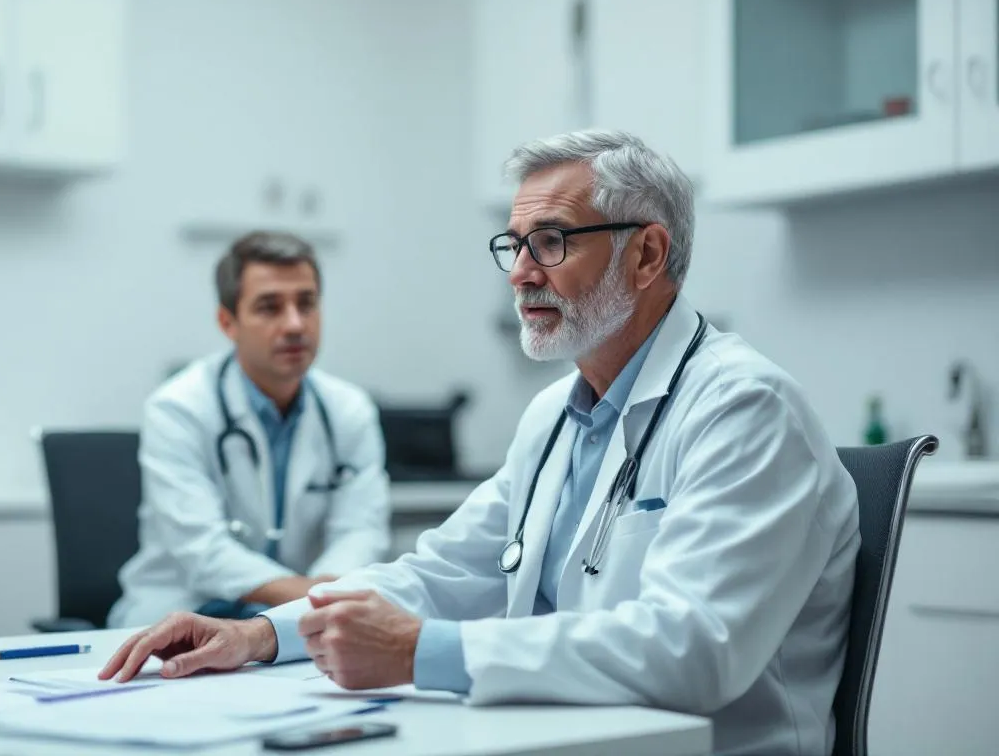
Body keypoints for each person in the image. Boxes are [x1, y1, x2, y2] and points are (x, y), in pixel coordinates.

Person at [100, 130, 860, 756]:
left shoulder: (745, 410)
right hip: (564, 737)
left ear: (648, 255)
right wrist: (261, 634)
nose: (521, 273)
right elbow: (440, 574)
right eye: (516, 244)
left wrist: (422, 652)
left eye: (553, 242)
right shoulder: (555, 417)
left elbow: (694, 649)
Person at [107, 231, 392, 628]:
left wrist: (321, 594)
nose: (294, 324)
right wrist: (315, 598)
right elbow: (203, 551)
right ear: (228, 322)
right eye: (269, 307)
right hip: (186, 612)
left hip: (298, 621)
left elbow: (360, 531)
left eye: (306, 304)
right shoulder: (178, 409)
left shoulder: (348, 410)